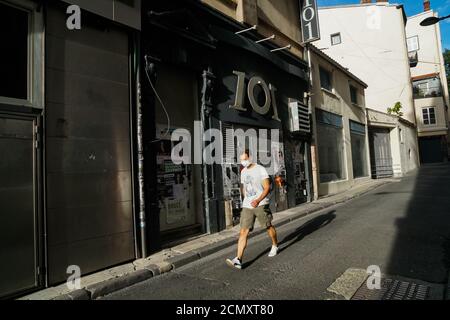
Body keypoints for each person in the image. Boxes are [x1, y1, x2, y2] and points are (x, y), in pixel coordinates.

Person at [226, 150, 279, 269]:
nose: (242, 162)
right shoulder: (243, 171)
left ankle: (275, 245)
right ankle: (238, 259)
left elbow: (266, 188)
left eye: (244, 159)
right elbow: (244, 187)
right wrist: (246, 199)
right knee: (243, 231)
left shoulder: (260, 169)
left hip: (260, 203)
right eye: (241, 160)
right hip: (247, 205)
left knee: (267, 226)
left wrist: (258, 200)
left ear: (250, 157)